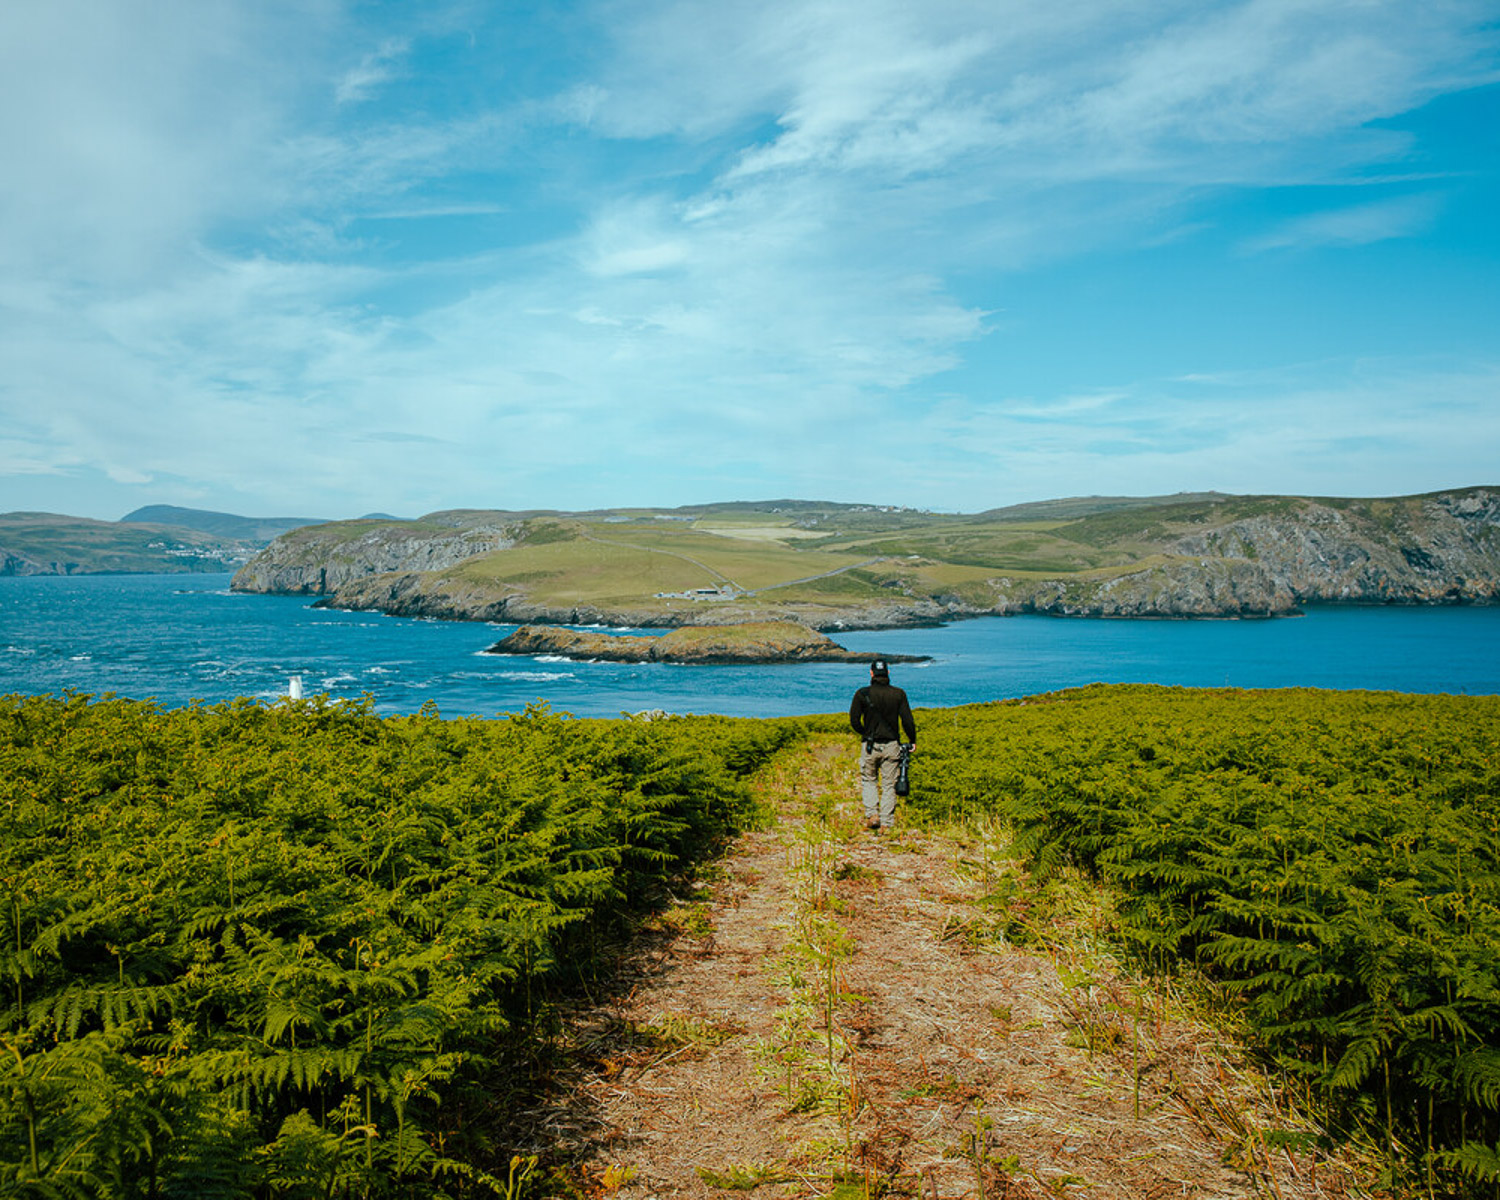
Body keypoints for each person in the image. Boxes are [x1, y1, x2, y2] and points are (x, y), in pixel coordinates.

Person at [849, 658, 916, 831]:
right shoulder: (898, 694)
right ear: (888, 673)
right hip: (892, 745)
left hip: (870, 745)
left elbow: (854, 720)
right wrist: (912, 740)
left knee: (869, 779)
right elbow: (907, 720)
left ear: (871, 673)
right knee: (889, 784)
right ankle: (887, 822)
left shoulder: (862, 694)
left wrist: (865, 733)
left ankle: (872, 814)